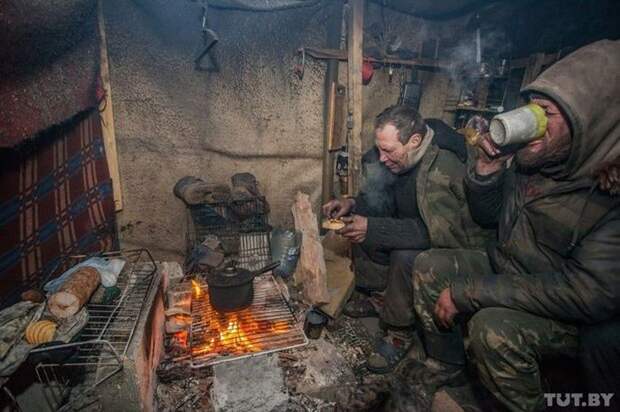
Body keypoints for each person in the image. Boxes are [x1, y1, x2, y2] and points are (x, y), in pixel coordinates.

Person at [411, 39, 620, 411]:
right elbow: (487, 216)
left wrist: (471, 292)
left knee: (492, 330)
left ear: (589, 122)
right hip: (508, 270)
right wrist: (486, 171)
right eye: (531, 107)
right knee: (429, 266)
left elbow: (589, 293)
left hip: (566, 310)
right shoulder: (533, 163)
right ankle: (450, 367)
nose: (531, 120)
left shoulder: (608, 191)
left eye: (546, 113)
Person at [322, 105, 491, 373]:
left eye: (388, 150)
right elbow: (382, 201)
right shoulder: (402, 158)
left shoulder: (442, 168)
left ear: (414, 141)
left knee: (405, 255)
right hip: (422, 229)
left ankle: (398, 331)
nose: (381, 157)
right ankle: (383, 296)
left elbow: (439, 235)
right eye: (379, 149)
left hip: (463, 250)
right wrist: (351, 203)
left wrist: (374, 229)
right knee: (361, 224)